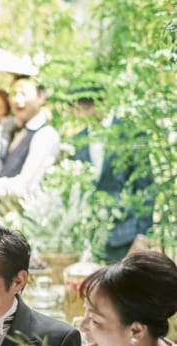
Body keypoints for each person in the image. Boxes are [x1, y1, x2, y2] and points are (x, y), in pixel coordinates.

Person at [69, 89, 154, 263]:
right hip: (86, 239)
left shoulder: (131, 135)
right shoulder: (77, 141)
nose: (81, 114)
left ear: (102, 102)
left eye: (86, 107)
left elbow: (145, 188)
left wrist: (142, 236)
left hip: (125, 235)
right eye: (77, 108)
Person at [0, 78, 61, 225]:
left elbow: (27, 185)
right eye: (14, 93)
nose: (17, 99)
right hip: (0, 224)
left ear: (41, 97)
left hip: (25, 225)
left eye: (23, 93)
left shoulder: (45, 135)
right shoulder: (12, 130)